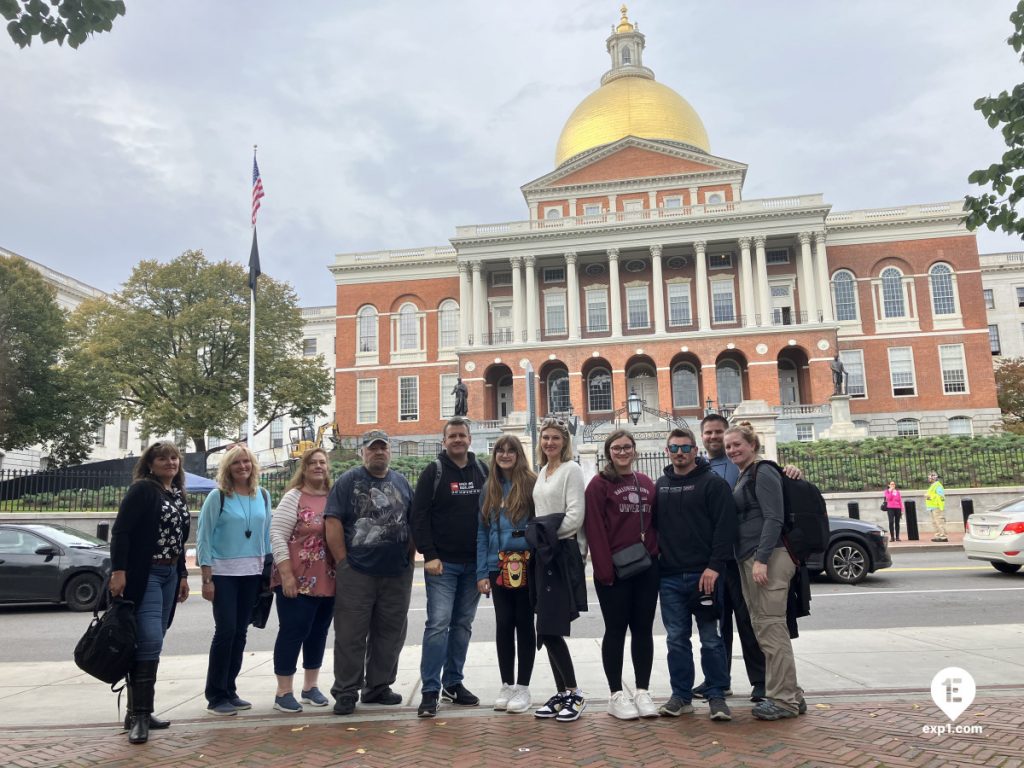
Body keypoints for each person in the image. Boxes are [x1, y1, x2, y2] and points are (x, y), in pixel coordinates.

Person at [325, 430, 415, 715]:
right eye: (372, 448)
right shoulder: (348, 481)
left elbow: (413, 521)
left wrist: (409, 559)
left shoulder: (400, 481)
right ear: (363, 452)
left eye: (383, 448)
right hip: (358, 572)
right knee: (351, 634)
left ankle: (378, 687)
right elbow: (333, 521)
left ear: (390, 452)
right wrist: (343, 562)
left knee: (390, 634)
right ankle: (346, 691)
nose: (378, 452)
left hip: (396, 573)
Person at [109, 442, 191, 744]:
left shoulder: (177, 494)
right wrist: (119, 571)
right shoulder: (143, 490)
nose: (170, 462)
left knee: (152, 638)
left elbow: (178, 539)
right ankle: (141, 717)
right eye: (162, 458)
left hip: (170, 573)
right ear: (150, 463)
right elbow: (121, 532)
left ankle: (136, 711)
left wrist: (182, 574)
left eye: (174, 457)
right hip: (146, 574)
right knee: (151, 640)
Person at [654, 428, 737, 722]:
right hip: (670, 577)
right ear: (667, 451)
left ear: (695, 451)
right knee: (676, 639)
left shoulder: (712, 484)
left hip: (705, 576)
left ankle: (716, 695)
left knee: (711, 639)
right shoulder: (660, 485)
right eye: (674, 448)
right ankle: (681, 696)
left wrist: (714, 566)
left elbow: (725, 528)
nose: (679, 453)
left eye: (685, 448)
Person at [725, 422, 805, 720]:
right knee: (765, 628)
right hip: (751, 557)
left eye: (737, 444)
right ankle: (791, 694)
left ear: (752, 445)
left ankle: (783, 700)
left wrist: (761, 558)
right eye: (729, 445)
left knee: (771, 628)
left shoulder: (763, 470)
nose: (732, 449)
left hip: (768, 558)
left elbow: (774, 518)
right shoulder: (745, 474)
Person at [412, 417, 489, 717]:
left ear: (470, 439)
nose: (457, 440)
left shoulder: (482, 470)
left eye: (462, 435)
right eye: (452, 436)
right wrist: (429, 554)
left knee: (462, 626)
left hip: (474, 564)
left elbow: (492, 513)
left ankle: (453, 683)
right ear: (444, 441)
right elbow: (418, 516)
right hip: (442, 565)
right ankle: (430, 689)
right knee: (438, 626)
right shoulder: (434, 471)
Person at [584, 429, 660, 720]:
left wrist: (656, 556)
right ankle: (616, 693)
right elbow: (595, 529)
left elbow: (655, 523)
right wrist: (604, 571)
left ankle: (642, 690)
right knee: (615, 630)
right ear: (608, 453)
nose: (622, 452)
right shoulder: (599, 485)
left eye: (627, 447)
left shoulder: (645, 483)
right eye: (616, 448)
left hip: (646, 567)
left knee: (643, 630)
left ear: (635, 450)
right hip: (614, 570)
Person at [198, 445, 272, 716]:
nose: (243, 467)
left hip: (251, 574)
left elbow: (266, 535)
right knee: (226, 631)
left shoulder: (262, 496)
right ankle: (215, 694)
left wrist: (269, 568)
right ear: (227, 468)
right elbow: (204, 537)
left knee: (241, 633)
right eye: (236, 463)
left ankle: (230, 689)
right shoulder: (217, 497)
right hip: (223, 574)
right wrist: (207, 577)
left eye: (247, 462)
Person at [695, 413, 764, 703]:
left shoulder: (741, 464)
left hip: (740, 557)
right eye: (708, 433)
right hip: (712, 561)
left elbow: (768, 479)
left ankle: (760, 681)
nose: (713, 437)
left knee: (748, 621)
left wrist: (791, 471)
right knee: (714, 623)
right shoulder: (697, 468)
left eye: (717, 432)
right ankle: (717, 680)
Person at [268, 448, 335, 714]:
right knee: (293, 631)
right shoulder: (293, 497)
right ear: (304, 469)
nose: (318, 466)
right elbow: (277, 535)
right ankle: (283, 691)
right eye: (313, 463)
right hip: (297, 579)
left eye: (322, 462)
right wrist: (286, 575)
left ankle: (311, 686)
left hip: (328, 579)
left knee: (318, 632)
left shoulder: (333, 497)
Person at [530, 416, 588, 722]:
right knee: (545, 625)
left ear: (564, 442)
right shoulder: (543, 471)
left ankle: (574, 693)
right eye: (545, 438)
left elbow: (575, 516)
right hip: (544, 552)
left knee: (551, 626)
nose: (549, 442)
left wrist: (545, 539)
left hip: (561, 552)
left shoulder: (571, 469)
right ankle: (562, 693)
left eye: (555, 438)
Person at [476, 435, 536, 714]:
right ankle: (507, 683)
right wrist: (482, 571)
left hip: (526, 564)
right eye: (500, 449)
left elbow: (539, 526)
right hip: (496, 566)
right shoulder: (489, 487)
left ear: (519, 454)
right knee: (503, 625)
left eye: (512, 450)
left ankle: (523, 688)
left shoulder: (530, 483)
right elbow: (482, 532)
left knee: (524, 624)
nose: (505, 454)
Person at [925, 471, 947, 542]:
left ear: (933, 478)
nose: (928, 479)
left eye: (929, 477)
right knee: (934, 522)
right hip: (932, 506)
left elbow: (940, 496)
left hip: (937, 506)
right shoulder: (933, 485)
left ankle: (943, 536)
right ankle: (938, 535)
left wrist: (929, 496)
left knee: (939, 521)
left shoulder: (938, 486)